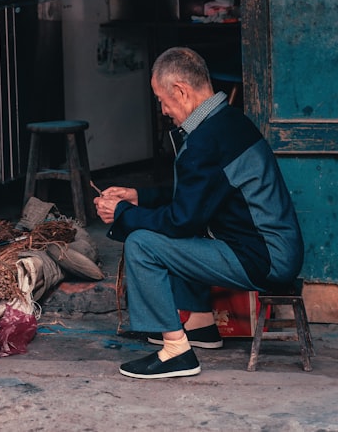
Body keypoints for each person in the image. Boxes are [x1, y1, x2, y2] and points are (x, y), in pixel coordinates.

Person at [94, 47, 304, 379]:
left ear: (180, 91)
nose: (163, 110)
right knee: (177, 232)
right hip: (273, 250)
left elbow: (182, 220)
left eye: (162, 99)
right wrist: (138, 197)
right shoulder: (229, 121)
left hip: (265, 259)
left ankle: (177, 351)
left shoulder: (207, 140)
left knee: (142, 244)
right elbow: (197, 196)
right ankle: (202, 325)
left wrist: (122, 214)